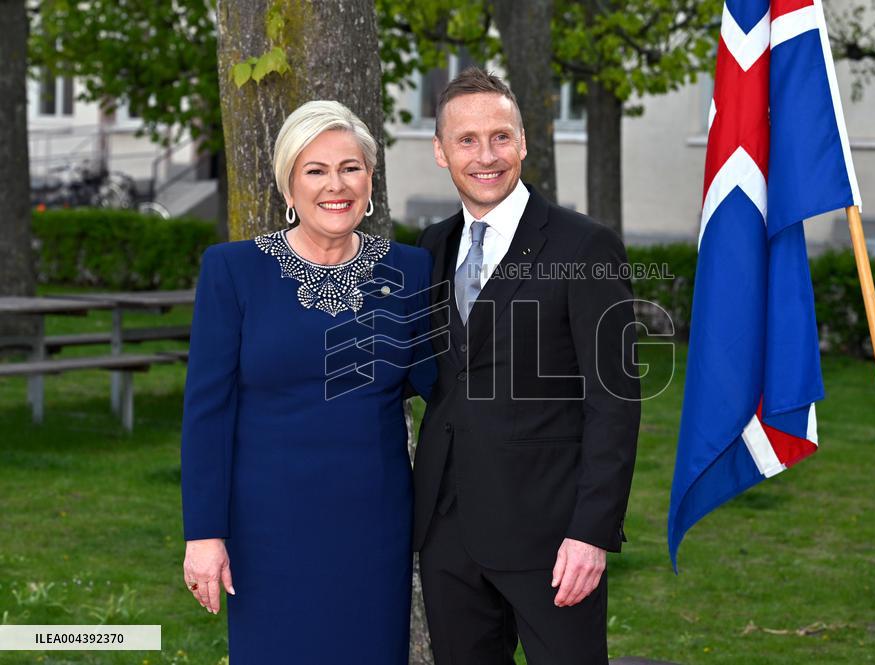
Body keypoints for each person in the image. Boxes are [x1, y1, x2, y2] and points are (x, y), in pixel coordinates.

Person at [180, 100, 435, 664]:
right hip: (266, 527)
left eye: (351, 168)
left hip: (373, 524)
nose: (335, 185)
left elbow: (447, 389)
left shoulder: (410, 271)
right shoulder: (233, 270)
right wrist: (203, 535)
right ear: (288, 188)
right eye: (314, 171)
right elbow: (207, 413)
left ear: (370, 182)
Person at [413, 68, 641, 665]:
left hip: (552, 538)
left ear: (524, 142)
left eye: (501, 137)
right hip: (447, 533)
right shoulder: (429, 247)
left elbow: (615, 402)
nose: (486, 156)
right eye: (466, 140)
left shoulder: (583, 246)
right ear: (440, 151)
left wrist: (592, 531)